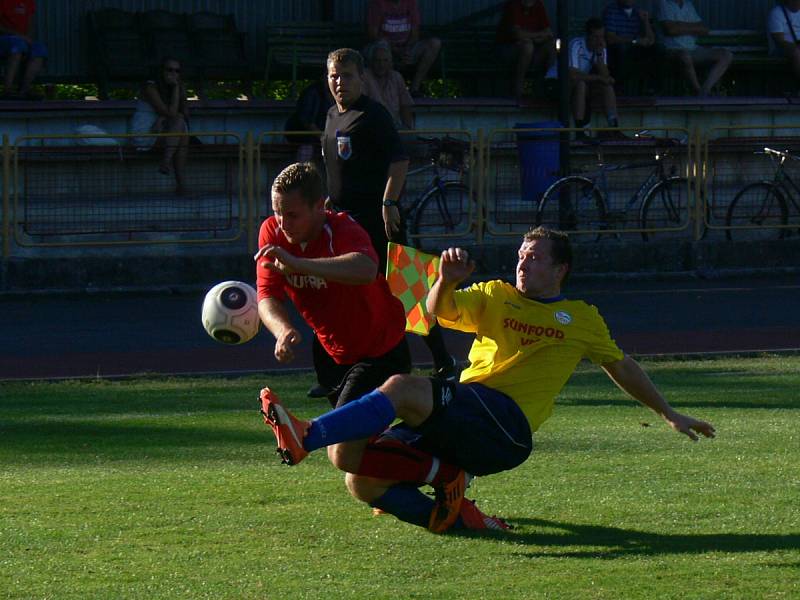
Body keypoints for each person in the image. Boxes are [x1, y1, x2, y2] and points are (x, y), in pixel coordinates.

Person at [259, 226, 716, 534]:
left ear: (560, 270)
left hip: (506, 427)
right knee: (357, 475)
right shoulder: (496, 295)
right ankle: (458, 514)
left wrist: (668, 413)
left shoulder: (579, 318)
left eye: (534, 259)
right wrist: (446, 279)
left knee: (401, 387)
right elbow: (438, 311)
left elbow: (621, 366)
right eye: (521, 255)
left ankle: (308, 434)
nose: (522, 263)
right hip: (464, 412)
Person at [255, 162, 466, 505]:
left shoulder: (343, 229)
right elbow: (267, 295)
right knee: (360, 452)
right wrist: (282, 330)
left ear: (319, 207)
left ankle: (444, 474)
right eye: (277, 212)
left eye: (291, 215)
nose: (282, 223)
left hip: (379, 350)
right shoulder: (272, 232)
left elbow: (365, 268)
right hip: (331, 354)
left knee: (341, 452)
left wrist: (298, 264)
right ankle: (424, 481)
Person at [323, 47, 458, 383]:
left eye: (347, 75)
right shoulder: (331, 115)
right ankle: (350, 369)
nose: (340, 82)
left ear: (362, 78)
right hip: (344, 221)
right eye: (334, 76)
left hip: (378, 219)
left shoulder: (374, 115)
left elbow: (399, 161)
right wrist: (329, 200)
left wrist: (388, 203)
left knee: (408, 291)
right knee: (352, 296)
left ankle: (443, 360)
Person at [130, 57, 190, 196]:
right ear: (161, 71)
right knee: (180, 129)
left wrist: (178, 90)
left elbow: (184, 113)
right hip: (145, 133)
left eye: (177, 71)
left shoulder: (178, 87)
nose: (173, 74)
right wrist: (175, 90)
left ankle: (167, 163)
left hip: (163, 132)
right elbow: (171, 112)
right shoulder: (150, 87)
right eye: (169, 69)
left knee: (182, 127)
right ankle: (180, 183)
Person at [656, 0, 732, 96]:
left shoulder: (688, 5)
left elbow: (704, 30)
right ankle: (697, 91)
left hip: (693, 49)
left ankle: (705, 90)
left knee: (726, 55)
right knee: (685, 56)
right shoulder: (664, 3)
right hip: (671, 50)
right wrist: (692, 27)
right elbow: (671, 30)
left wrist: (679, 25)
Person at [366, 0, 441, 97]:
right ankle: (389, 90)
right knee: (382, 47)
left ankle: (415, 88)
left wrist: (407, 50)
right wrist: (394, 50)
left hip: (406, 48)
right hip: (385, 49)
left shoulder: (411, 3)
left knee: (434, 43)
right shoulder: (378, 3)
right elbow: (373, 34)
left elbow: (415, 33)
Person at [568, 18, 622, 140]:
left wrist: (599, 55)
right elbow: (573, 75)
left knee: (607, 86)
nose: (599, 41)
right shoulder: (576, 44)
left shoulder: (601, 47)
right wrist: (599, 78)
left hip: (583, 84)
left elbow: (605, 75)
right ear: (587, 35)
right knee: (581, 84)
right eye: (595, 37)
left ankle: (614, 128)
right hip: (558, 83)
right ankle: (579, 131)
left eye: (601, 37)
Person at [495, 0, 557, 100]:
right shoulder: (514, 5)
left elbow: (548, 33)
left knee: (551, 45)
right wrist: (538, 35)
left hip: (533, 50)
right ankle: (518, 88)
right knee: (527, 46)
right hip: (508, 50)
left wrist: (532, 37)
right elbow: (517, 34)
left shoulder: (538, 5)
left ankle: (550, 87)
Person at [602, 0, 656, 93]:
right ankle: (620, 89)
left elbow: (650, 40)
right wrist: (634, 41)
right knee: (620, 49)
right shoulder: (611, 10)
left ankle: (650, 88)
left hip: (634, 49)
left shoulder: (638, 12)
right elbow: (610, 38)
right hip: (617, 49)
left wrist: (646, 21)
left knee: (656, 49)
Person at [363, 39, 415, 129]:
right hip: (372, 127)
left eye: (385, 60)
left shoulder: (396, 77)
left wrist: (408, 129)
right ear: (371, 62)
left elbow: (406, 105)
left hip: (394, 126)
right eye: (377, 60)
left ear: (391, 62)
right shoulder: (364, 76)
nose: (381, 64)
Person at [0, 0, 46, 100]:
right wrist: (20, 37)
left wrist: (28, 41)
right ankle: (7, 90)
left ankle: (24, 90)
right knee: (17, 45)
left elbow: (30, 24)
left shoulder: (29, 2)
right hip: (4, 38)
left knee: (39, 49)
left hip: (22, 39)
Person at [284, 75, 335, 165]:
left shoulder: (334, 94)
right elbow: (307, 121)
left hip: (322, 137)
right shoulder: (312, 93)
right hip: (304, 137)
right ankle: (301, 174)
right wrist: (323, 136)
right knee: (306, 149)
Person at [767, 0, 800, 84]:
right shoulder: (777, 13)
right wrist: (796, 47)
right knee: (797, 52)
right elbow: (779, 41)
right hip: (780, 50)